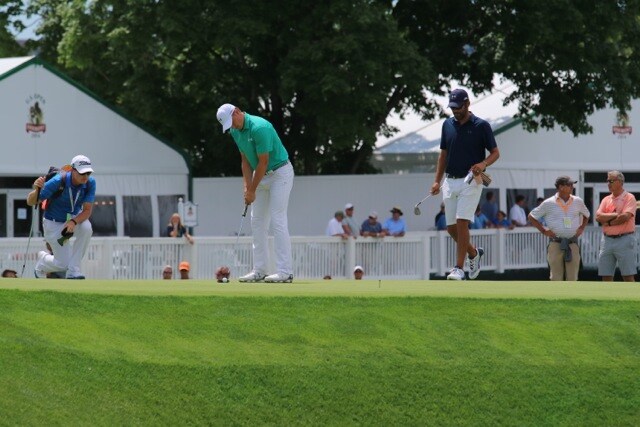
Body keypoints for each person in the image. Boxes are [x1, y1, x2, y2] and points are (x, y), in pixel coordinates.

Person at [216, 103, 294, 283]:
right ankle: (260, 270)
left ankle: (285, 271)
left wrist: (252, 189)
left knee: (277, 219)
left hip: (280, 173)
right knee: (257, 221)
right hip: (260, 175)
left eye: (231, 122)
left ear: (236, 112)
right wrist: (246, 187)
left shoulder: (260, 127)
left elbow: (263, 162)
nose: (232, 127)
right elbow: (245, 160)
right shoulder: (235, 132)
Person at [430, 88, 500, 280]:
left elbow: (495, 152)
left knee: (462, 223)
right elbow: (443, 155)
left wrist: (483, 163)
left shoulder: (481, 126)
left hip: (471, 180)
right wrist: (437, 181)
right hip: (449, 181)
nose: (455, 111)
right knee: (451, 227)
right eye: (452, 107)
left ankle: (458, 268)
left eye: (458, 107)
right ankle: (474, 253)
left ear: (467, 104)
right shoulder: (447, 125)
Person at [27, 154, 96, 279]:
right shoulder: (57, 181)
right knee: (62, 264)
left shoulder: (90, 183)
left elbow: (86, 211)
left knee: (86, 227)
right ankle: (43, 261)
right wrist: (36, 190)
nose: (85, 177)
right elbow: (31, 201)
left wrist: (74, 221)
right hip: (53, 223)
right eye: (82, 173)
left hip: (73, 220)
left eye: (88, 173)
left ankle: (74, 271)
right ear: (72, 170)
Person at [528, 176, 590, 281]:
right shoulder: (548, 202)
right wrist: (543, 230)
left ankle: (571, 298)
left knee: (573, 277)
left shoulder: (577, 201)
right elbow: (531, 216)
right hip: (555, 243)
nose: (572, 187)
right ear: (561, 187)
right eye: (569, 185)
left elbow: (587, 215)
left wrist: (581, 228)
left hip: (572, 243)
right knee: (556, 277)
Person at [595, 171, 637, 282]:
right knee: (606, 275)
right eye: (607, 181)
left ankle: (633, 299)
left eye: (611, 181)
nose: (608, 183)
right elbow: (598, 217)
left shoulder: (629, 197)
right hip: (607, 240)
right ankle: (608, 299)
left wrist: (607, 222)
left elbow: (625, 217)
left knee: (628, 275)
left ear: (620, 182)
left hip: (624, 239)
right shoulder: (606, 199)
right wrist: (615, 215)